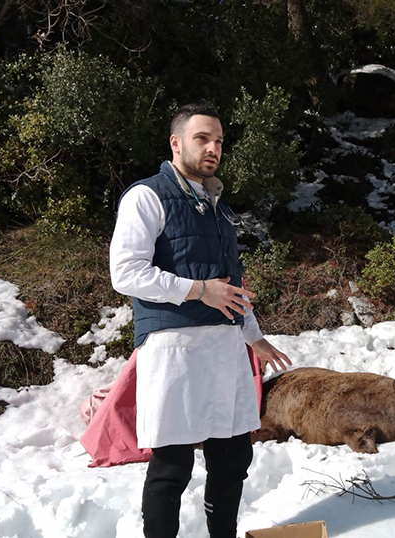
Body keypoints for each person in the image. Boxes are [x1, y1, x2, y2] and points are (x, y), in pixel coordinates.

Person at [110, 103, 292, 538]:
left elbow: (230, 285)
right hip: (175, 348)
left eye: (219, 141)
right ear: (176, 143)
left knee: (233, 458)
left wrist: (254, 336)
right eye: (202, 139)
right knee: (172, 465)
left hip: (225, 348)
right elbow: (126, 272)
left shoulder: (218, 206)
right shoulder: (147, 196)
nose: (213, 148)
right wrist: (197, 290)